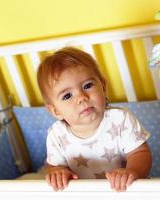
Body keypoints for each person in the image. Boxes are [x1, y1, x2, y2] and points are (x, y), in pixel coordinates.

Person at [37, 47, 152, 192]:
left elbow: (140, 153)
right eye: (67, 96)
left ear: (103, 87)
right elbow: (53, 166)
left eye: (87, 86)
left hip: (125, 191)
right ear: (56, 111)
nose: (82, 97)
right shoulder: (57, 135)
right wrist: (58, 172)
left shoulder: (120, 120)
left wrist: (133, 172)